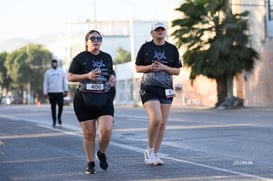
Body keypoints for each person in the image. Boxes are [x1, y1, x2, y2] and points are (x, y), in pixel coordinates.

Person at [67, 30, 116, 174]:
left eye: (98, 38)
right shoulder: (80, 58)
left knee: (106, 130)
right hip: (84, 99)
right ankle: (90, 163)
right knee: (89, 133)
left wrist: (112, 76)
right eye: (92, 38)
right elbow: (70, 77)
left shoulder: (107, 57)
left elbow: (111, 71)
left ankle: (101, 153)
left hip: (104, 97)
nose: (96, 41)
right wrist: (87, 75)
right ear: (86, 42)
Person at [135, 22, 182, 166]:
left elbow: (177, 71)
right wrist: (150, 67)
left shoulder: (172, 49)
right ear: (152, 33)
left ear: (166, 32)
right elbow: (137, 68)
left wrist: (163, 67)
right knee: (156, 119)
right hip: (149, 87)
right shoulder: (146, 47)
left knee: (162, 124)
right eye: (157, 30)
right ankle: (149, 150)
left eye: (162, 29)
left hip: (166, 88)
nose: (160, 32)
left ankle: (155, 153)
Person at [43, 59, 68, 126]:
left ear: (57, 64)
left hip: (60, 92)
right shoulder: (48, 72)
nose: (54, 64)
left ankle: (59, 117)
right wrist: (45, 92)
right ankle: (54, 120)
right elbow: (45, 83)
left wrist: (66, 90)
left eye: (55, 63)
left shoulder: (61, 72)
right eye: (53, 63)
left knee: (61, 106)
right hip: (51, 92)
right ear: (51, 64)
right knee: (53, 107)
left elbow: (65, 81)